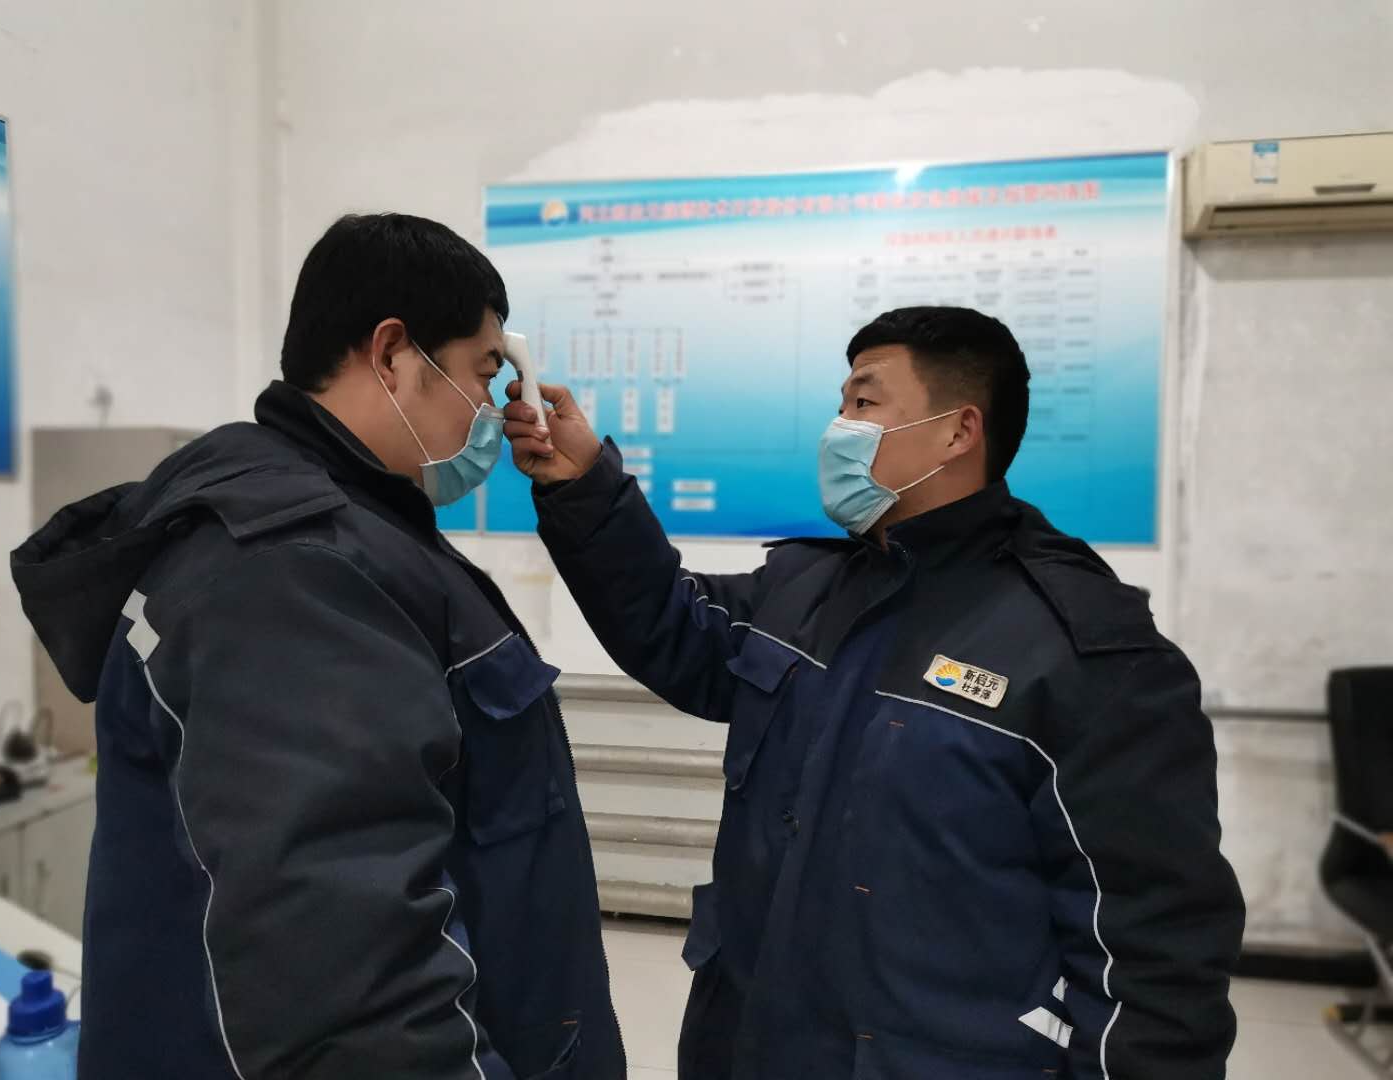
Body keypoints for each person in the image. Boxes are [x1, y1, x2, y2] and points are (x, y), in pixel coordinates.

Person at [504, 306, 1245, 1080]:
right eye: (841, 403)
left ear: (958, 432)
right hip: (753, 1043)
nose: (840, 427)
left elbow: (1153, 948)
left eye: (864, 402)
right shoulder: (808, 589)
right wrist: (584, 485)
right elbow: (672, 624)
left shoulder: (1083, 651)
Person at [12, 213, 624, 1080]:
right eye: (486, 374)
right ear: (393, 354)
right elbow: (353, 997)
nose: (498, 410)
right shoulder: (289, 575)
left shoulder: (352, 533)